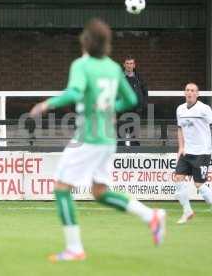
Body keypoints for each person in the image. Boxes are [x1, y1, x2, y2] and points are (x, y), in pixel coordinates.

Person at [30, 18, 166, 262]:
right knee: (100, 192)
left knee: (61, 189)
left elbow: (74, 92)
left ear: (87, 41)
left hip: (88, 137)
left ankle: (74, 248)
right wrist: (110, 108)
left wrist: (46, 103)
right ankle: (152, 216)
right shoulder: (113, 68)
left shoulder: (82, 65)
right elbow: (131, 101)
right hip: (107, 139)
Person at [174, 83, 212, 224]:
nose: (189, 93)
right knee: (178, 178)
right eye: (187, 90)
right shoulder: (180, 109)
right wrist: (181, 147)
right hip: (187, 151)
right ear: (185, 93)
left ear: (197, 94)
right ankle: (187, 212)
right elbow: (180, 129)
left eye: (192, 90)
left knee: (199, 185)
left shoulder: (204, 109)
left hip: (202, 152)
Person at [118, 56, 148, 146]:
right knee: (120, 139)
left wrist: (142, 107)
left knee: (134, 139)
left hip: (135, 112)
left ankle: (135, 158)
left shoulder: (139, 78)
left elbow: (145, 93)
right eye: (127, 63)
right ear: (124, 65)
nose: (129, 66)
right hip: (121, 113)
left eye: (131, 63)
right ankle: (119, 158)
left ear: (134, 65)